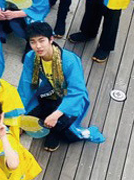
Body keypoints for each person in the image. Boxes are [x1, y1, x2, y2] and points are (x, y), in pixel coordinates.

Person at [19, 22, 106, 152]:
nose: (38, 46)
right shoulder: (31, 57)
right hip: (49, 90)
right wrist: (18, 111)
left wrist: (56, 115)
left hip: (71, 97)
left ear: (51, 39)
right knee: (29, 113)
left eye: (41, 41)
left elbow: (77, 92)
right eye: (33, 42)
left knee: (64, 127)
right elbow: (25, 86)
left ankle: (55, 133)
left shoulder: (69, 61)